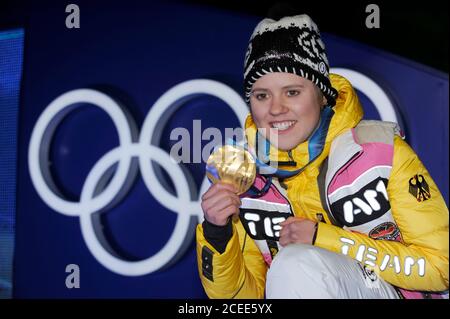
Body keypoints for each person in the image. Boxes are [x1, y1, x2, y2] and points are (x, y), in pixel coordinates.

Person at [196, 14, 449, 299]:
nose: (275, 109)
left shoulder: (380, 151)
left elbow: (442, 267)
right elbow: (242, 300)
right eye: (261, 95)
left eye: (292, 92)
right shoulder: (244, 176)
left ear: (322, 95)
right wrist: (217, 234)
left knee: (294, 265)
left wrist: (323, 238)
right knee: (290, 268)